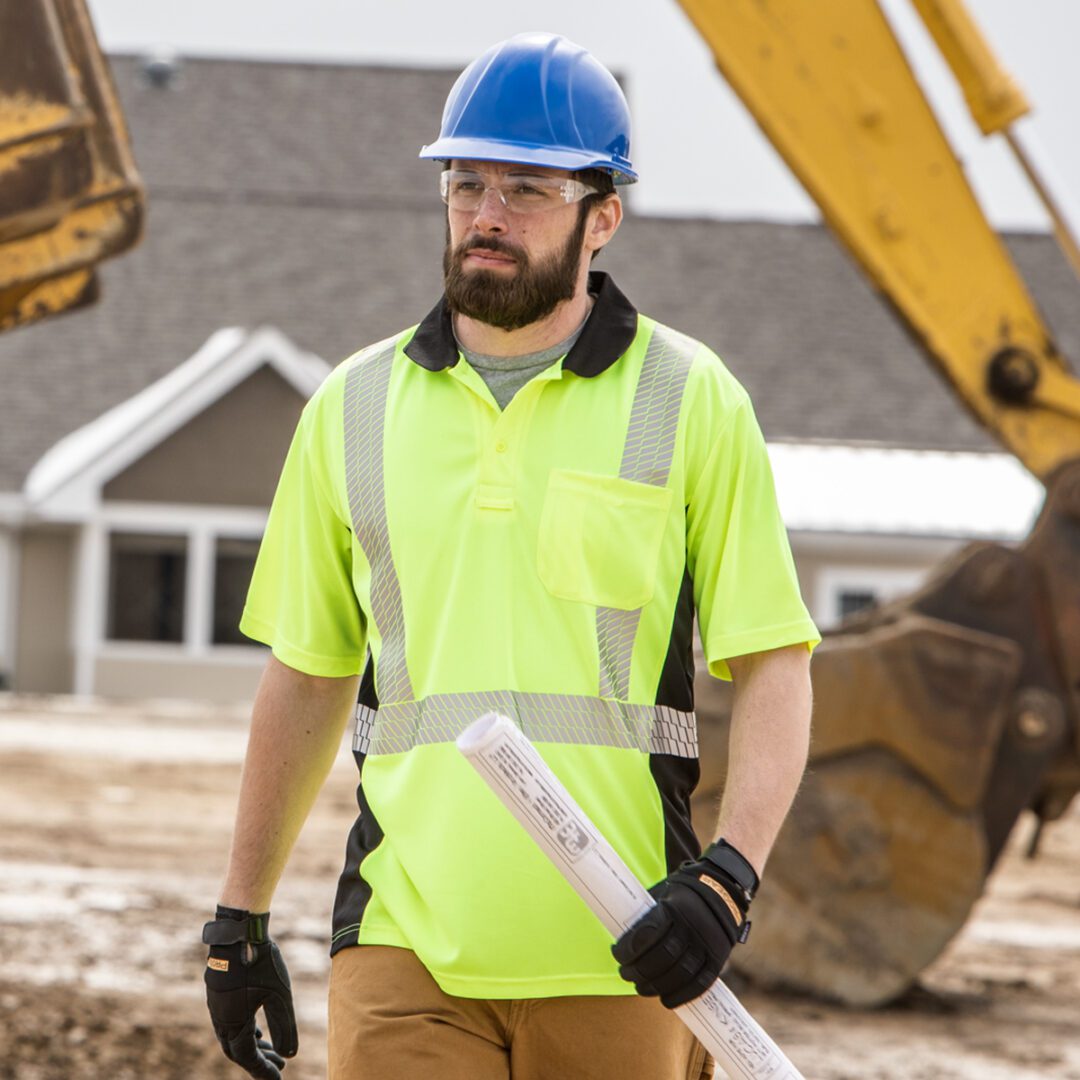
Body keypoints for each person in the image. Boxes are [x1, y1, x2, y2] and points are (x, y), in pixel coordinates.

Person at [202, 31, 818, 1080]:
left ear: (602, 215)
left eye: (525, 189)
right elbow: (307, 675)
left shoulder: (691, 399)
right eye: (466, 183)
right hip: (405, 946)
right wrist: (238, 913)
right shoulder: (352, 407)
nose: (486, 214)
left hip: (626, 951)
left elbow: (774, 664)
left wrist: (728, 880)